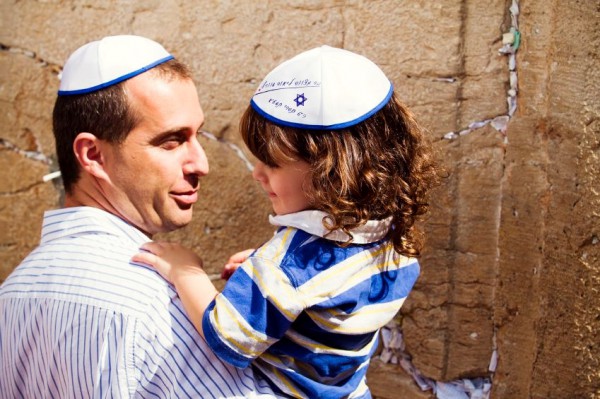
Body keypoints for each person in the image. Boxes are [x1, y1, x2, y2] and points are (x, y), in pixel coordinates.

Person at [134, 45, 440, 399]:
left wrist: (186, 272)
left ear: (332, 173)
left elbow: (227, 337)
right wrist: (267, 279)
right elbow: (330, 286)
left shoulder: (286, 266)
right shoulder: (389, 231)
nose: (257, 174)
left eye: (271, 163)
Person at [0, 35, 276, 398]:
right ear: (93, 155)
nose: (201, 164)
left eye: (198, 135)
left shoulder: (11, 294)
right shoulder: (159, 302)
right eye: (171, 141)